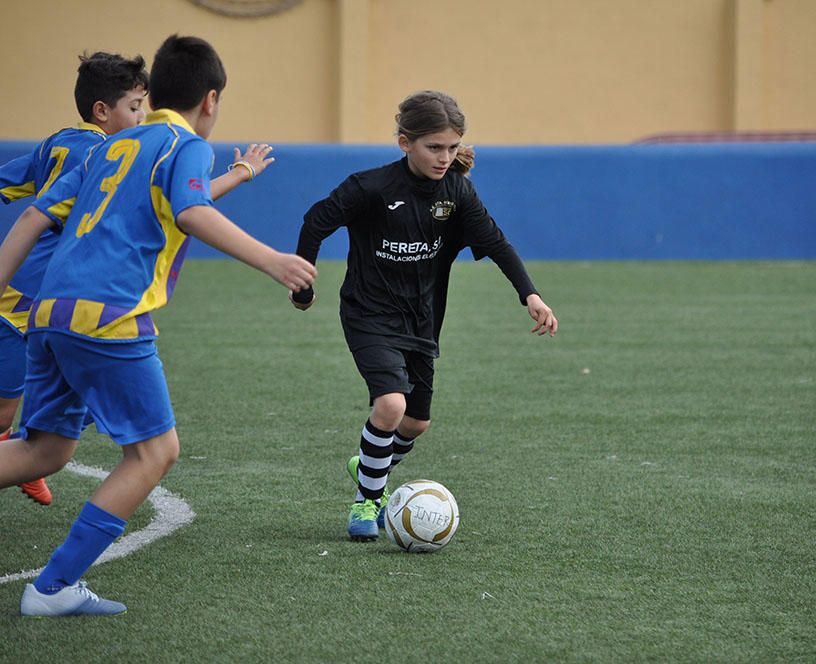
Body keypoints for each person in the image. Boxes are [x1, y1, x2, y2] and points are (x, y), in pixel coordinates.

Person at [0, 34, 315, 616]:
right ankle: (53, 588)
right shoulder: (186, 143)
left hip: (47, 314)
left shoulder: (106, 147)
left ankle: (56, 586)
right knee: (154, 454)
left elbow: (33, 213)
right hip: (109, 316)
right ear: (211, 99)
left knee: (44, 451)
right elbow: (192, 211)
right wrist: (274, 261)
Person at [0, 52, 276, 507]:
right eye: (134, 106)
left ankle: (30, 457)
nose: (143, 116)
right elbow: (188, 207)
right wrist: (240, 177)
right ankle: (27, 469)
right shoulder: (107, 154)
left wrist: (238, 173)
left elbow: (25, 203)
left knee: (48, 419)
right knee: (23, 413)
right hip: (53, 304)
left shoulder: (56, 143)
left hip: (43, 303)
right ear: (103, 111)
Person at [290, 90, 557, 542]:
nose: (444, 157)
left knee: (415, 423)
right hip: (368, 312)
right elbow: (317, 221)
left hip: (422, 319)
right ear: (404, 143)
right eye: (434, 147)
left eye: (453, 148)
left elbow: (494, 241)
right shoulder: (370, 187)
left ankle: (370, 463)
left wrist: (529, 294)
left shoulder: (456, 189)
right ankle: (366, 503)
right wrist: (303, 285)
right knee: (391, 405)